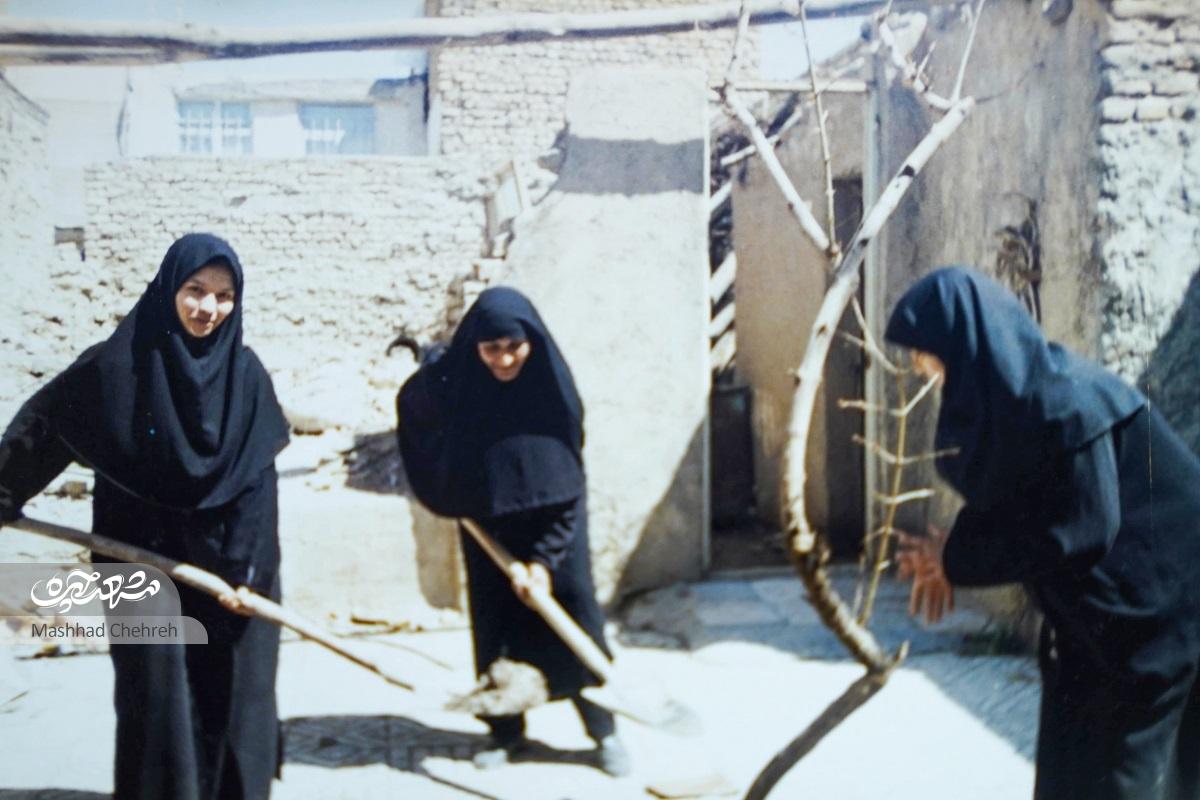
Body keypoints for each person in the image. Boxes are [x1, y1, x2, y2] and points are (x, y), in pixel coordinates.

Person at [886, 266, 1200, 800]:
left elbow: (1081, 525)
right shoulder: (1023, 411)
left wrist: (957, 560)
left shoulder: (1068, 402)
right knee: (1069, 771)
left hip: (1160, 617)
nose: (921, 371)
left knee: (1123, 779)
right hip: (1101, 627)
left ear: (968, 345)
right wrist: (955, 554)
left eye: (928, 354)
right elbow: (1017, 503)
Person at [0, 233, 291, 800]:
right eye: (195, 290)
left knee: (234, 697)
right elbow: (47, 425)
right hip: (140, 562)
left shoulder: (246, 376)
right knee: (156, 702)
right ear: (167, 290)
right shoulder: (119, 364)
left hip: (233, 563)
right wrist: (4, 492)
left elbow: (260, 482)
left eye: (223, 296)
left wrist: (247, 575)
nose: (208, 308)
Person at [395, 286, 630, 777]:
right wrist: (433, 367)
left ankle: (604, 733)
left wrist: (544, 564)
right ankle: (506, 733)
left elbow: (570, 486)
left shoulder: (552, 397)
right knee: (497, 630)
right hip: (488, 534)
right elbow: (419, 409)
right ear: (474, 349)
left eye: (513, 347)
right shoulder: (465, 393)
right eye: (490, 348)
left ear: (533, 344)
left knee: (576, 626)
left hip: (557, 534)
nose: (503, 359)